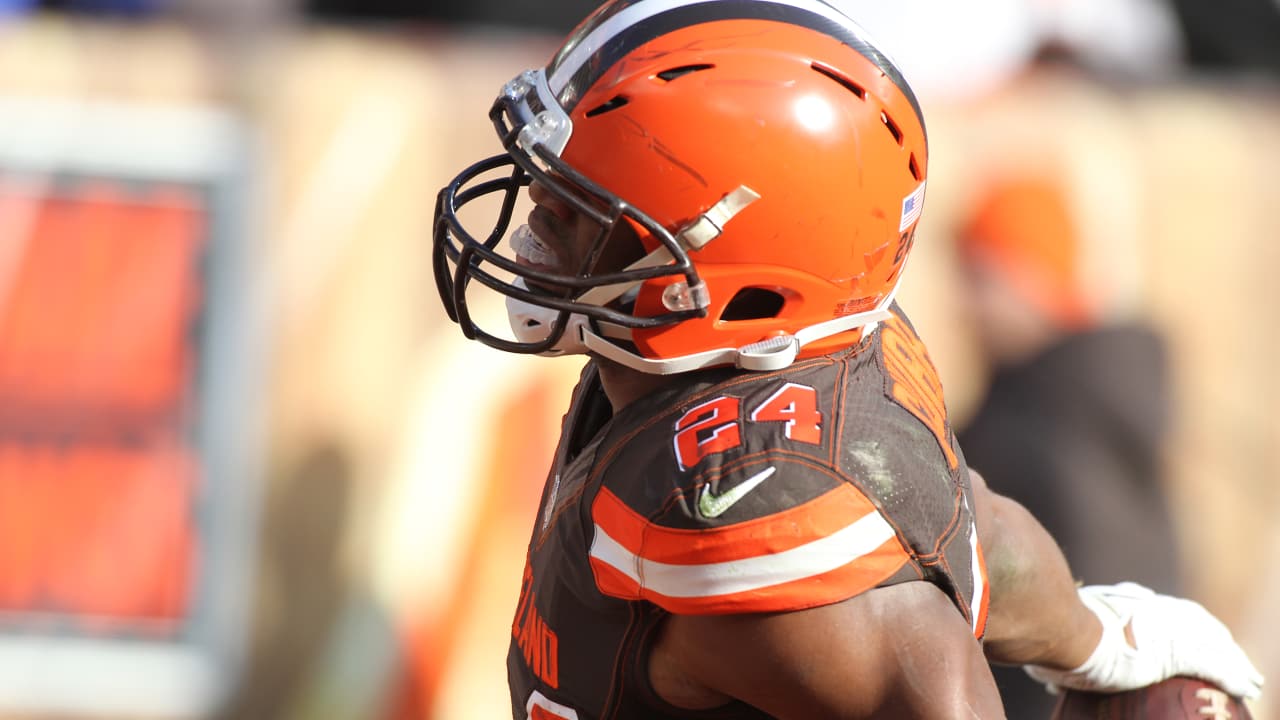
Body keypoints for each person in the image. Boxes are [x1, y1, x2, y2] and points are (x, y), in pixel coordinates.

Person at [431, 1, 1263, 717]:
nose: (534, 231)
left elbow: (924, 658)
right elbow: (970, 537)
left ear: (731, 273)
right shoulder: (722, 363)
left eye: (577, 212)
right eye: (548, 190)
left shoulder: (747, 523)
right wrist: (1103, 637)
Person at [954, 175, 1184, 717]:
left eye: (982, 277)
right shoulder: (1076, 394)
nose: (967, 305)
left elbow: (1099, 593)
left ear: (1032, 276)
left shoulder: (1056, 416)